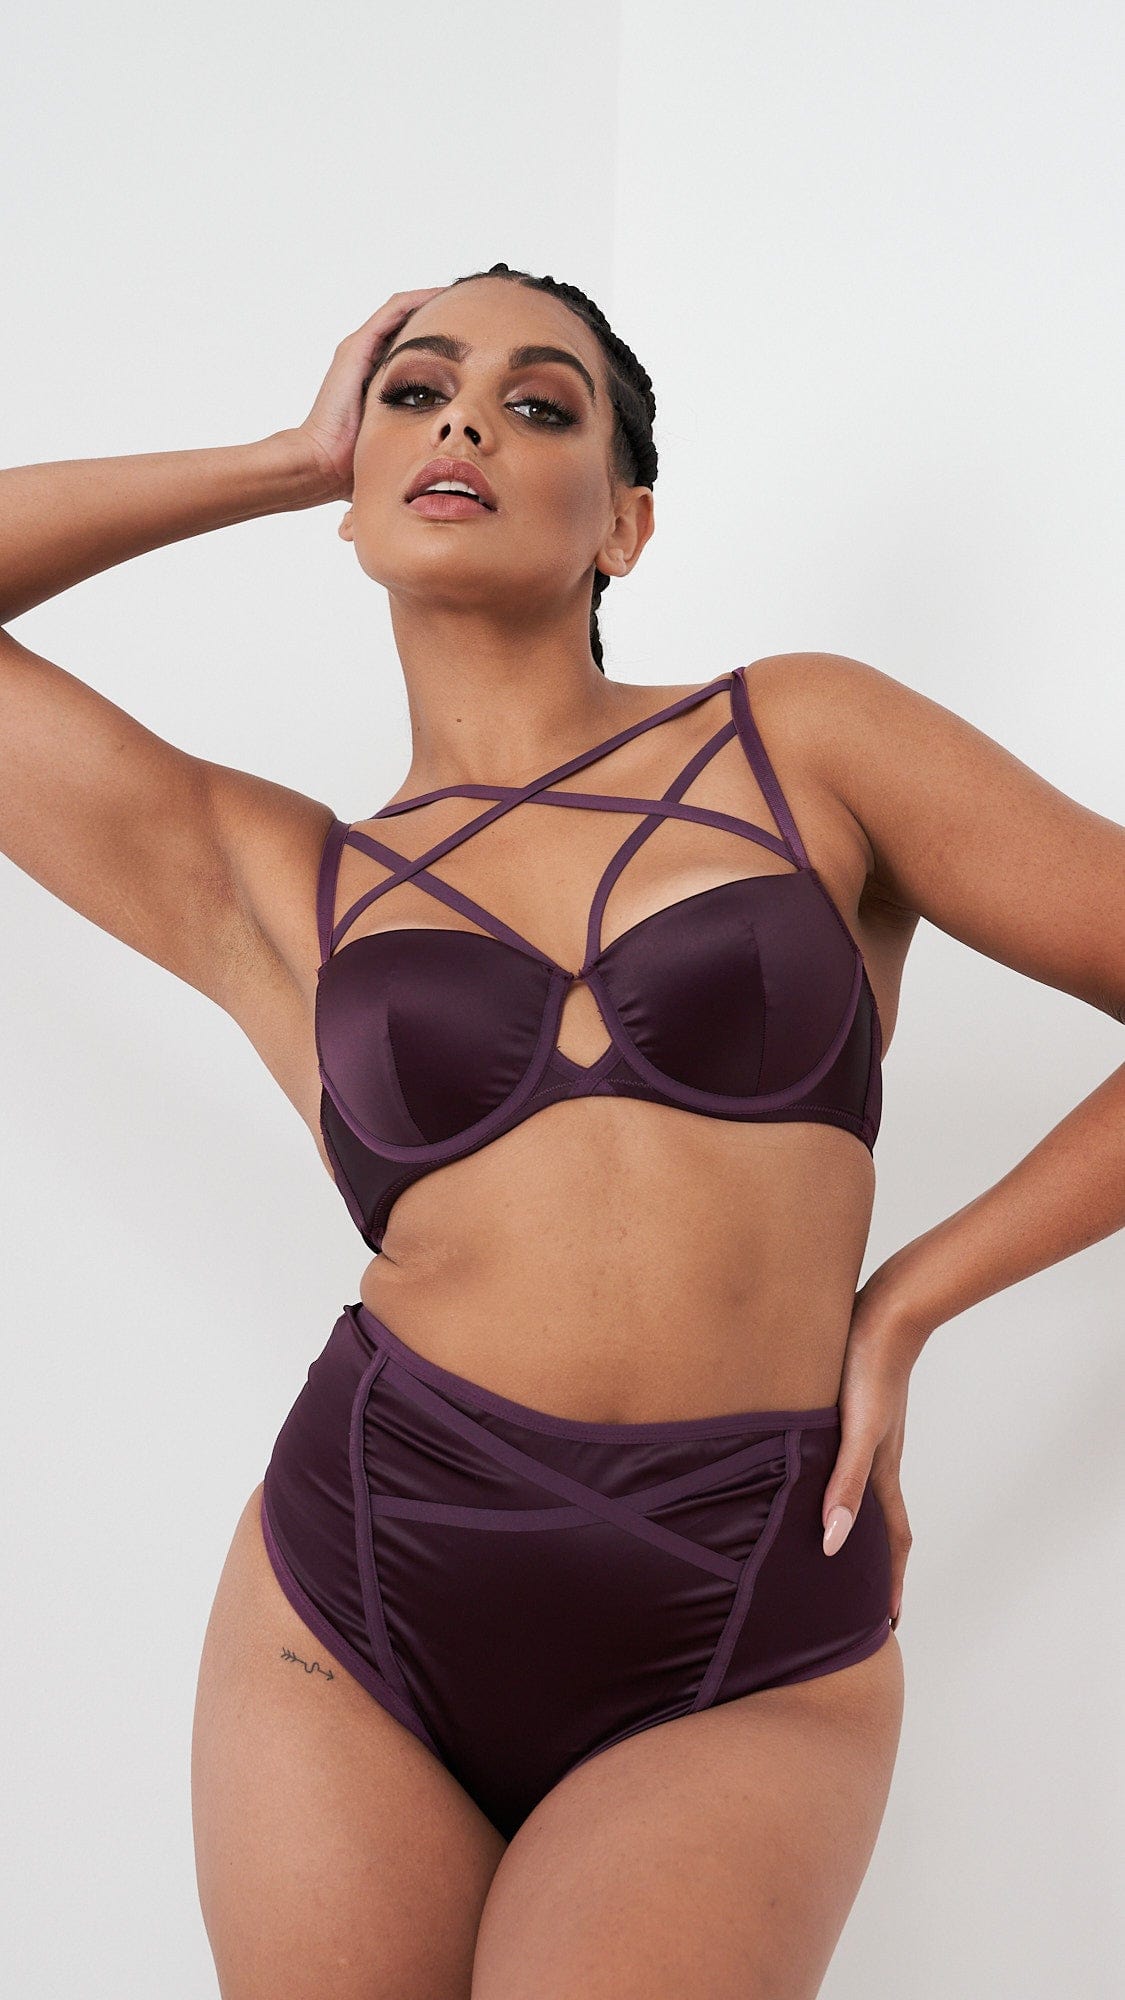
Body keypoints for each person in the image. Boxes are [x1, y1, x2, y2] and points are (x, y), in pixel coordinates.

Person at [3, 264, 1122, 2000]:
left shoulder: (798, 737)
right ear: (359, 488)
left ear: (625, 523)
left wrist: (907, 1301)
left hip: (752, 1592)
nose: (463, 418)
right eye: (413, 392)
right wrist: (286, 457)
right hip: (361, 1579)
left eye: (539, 405)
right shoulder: (276, 878)